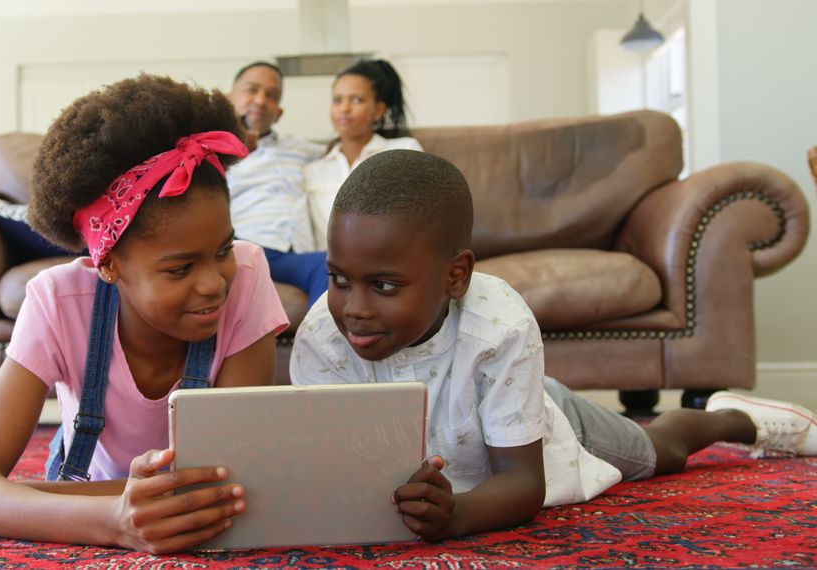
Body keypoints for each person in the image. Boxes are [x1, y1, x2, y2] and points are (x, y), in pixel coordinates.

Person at [291, 149, 817, 543]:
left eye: (383, 285)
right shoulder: (321, 334)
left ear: (455, 276)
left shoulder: (497, 327)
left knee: (663, 451)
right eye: (339, 278)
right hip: (465, 443)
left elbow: (523, 483)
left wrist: (457, 516)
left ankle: (735, 419)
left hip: (543, 425)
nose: (353, 307)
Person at [0, 75, 289, 553]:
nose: (214, 282)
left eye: (221, 250)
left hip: (77, 498)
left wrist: (19, 497)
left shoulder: (249, 274)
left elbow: (231, 485)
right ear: (108, 265)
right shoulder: (57, 301)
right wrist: (115, 521)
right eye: (179, 268)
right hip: (92, 489)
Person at [226, 61, 329, 305]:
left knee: (332, 266)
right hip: (242, 246)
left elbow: (343, 151)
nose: (260, 101)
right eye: (252, 90)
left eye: (271, 96)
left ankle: (318, 342)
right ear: (230, 98)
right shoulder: (211, 151)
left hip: (292, 254)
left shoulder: (301, 149)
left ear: (279, 112)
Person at [305, 59, 423, 250]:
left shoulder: (404, 152)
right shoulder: (313, 169)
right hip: (329, 269)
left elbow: (419, 217)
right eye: (337, 100)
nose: (344, 108)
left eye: (356, 100)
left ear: (378, 110)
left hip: (390, 258)